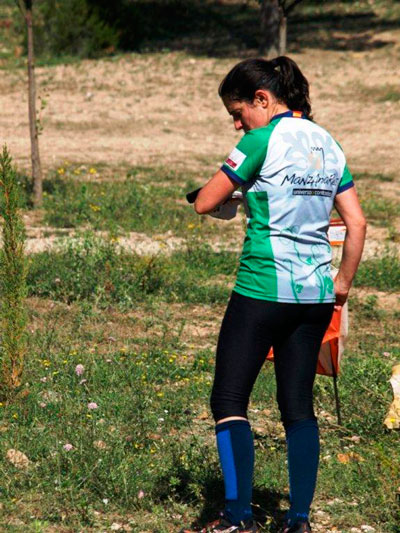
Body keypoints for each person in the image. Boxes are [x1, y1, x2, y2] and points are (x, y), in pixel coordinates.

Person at [181, 56, 366, 533]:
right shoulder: (329, 143)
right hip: (317, 294)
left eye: (238, 112)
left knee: (229, 401)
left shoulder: (257, 141)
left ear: (263, 99)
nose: (238, 123)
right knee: (298, 409)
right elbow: (357, 223)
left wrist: (221, 195)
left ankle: (237, 516)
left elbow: (205, 201)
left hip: (263, 289)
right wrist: (340, 289)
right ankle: (299, 520)